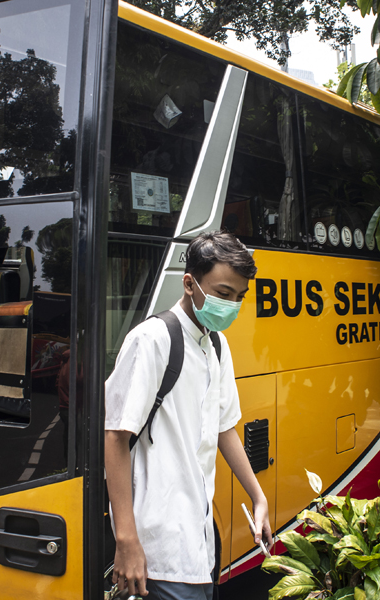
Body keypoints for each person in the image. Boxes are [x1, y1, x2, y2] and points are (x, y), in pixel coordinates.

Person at [104, 231, 273, 600]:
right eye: (223, 293)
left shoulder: (217, 344)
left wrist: (258, 496)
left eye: (239, 297)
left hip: (200, 539)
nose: (231, 305)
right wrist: (126, 541)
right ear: (189, 283)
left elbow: (225, 427)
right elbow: (115, 436)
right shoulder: (151, 340)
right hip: (156, 548)